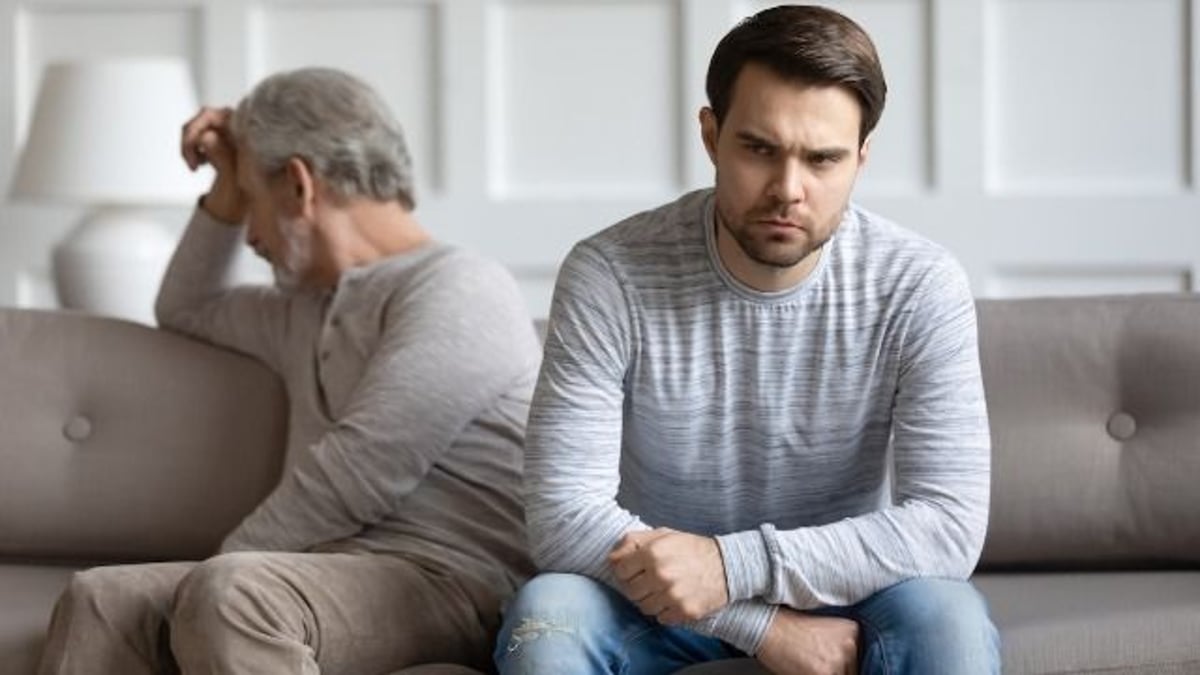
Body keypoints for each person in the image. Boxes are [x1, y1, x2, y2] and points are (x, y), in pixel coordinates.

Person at [494, 5, 999, 675]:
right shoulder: (609, 274)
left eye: (823, 159)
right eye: (759, 149)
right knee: (548, 611)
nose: (789, 189)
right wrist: (758, 624)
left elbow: (947, 523)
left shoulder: (918, 284)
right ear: (711, 134)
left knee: (948, 619)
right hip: (654, 596)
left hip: (846, 590)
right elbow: (563, 514)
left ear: (862, 157)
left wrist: (734, 565)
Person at [38, 67, 542, 675]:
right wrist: (225, 183)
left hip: (453, 583)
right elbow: (185, 306)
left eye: (249, 200)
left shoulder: (460, 288)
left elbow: (360, 472)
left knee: (232, 594)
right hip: (318, 576)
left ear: (300, 186)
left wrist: (207, 580)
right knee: (100, 598)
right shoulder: (303, 308)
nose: (248, 233)